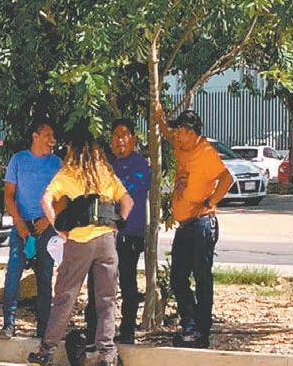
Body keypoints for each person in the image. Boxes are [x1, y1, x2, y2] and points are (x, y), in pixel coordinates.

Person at [27, 127, 134, 366]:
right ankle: (106, 357)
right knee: (106, 300)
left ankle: (46, 352)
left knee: (65, 296)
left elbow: (45, 200)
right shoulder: (105, 172)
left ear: (73, 150)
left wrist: (58, 228)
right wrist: (116, 225)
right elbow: (128, 202)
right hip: (107, 240)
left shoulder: (69, 172)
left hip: (79, 241)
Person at [154, 104, 232, 348]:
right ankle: (190, 324)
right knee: (178, 277)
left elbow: (227, 178)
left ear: (192, 132)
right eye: (177, 132)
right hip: (185, 224)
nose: (177, 137)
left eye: (181, 132)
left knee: (201, 277)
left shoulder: (206, 152)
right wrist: (159, 117)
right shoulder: (182, 146)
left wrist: (209, 202)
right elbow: (168, 133)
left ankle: (202, 331)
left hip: (202, 224)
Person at [84, 119, 151, 346]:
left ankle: (128, 330)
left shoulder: (140, 165)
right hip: (103, 235)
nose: (119, 139)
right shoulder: (107, 165)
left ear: (133, 139)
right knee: (97, 282)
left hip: (129, 235)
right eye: (115, 135)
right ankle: (94, 329)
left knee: (127, 283)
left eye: (124, 134)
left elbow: (126, 194)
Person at [0, 116, 62, 339]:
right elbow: (9, 195)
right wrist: (20, 226)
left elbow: (63, 198)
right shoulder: (18, 160)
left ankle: (43, 328)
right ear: (35, 136)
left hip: (46, 226)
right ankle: (8, 324)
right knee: (13, 273)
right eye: (47, 135)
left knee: (45, 277)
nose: (52, 139)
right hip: (22, 224)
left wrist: (48, 219)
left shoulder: (56, 163)